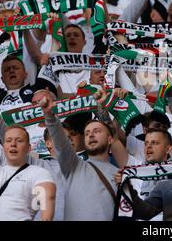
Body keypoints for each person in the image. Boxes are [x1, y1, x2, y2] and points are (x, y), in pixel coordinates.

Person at [40, 89, 119, 221]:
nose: (91, 135)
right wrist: (49, 116)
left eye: (96, 131)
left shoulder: (120, 174)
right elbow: (61, 143)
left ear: (110, 139)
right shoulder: (73, 165)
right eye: (87, 133)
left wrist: (101, 108)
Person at [0, 125, 56, 221]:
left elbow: (47, 198)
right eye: (8, 140)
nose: (13, 144)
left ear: (29, 148)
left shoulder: (38, 173)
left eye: (19, 140)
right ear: (3, 146)